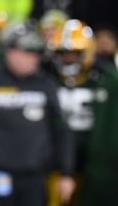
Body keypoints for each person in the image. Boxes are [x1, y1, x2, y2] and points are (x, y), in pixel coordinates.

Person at [0, 22, 75, 206]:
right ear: (10, 51)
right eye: (28, 52)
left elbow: (62, 130)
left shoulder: (47, 85)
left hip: (35, 178)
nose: (34, 58)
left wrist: (66, 173)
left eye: (36, 53)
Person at [46, 19, 118, 205]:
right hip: (54, 160)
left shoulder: (106, 78)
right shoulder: (46, 77)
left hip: (93, 161)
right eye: (63, 53)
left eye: (75, 53)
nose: (68, 59)